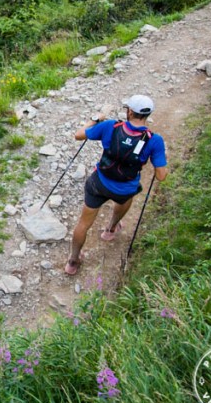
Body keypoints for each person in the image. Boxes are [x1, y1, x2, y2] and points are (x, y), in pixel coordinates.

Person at [65, 94, 168, 276]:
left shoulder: (110, 126)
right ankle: (111, 229)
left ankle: (73, 261)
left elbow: (78, 135)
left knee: (83, 224)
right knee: (125, 198)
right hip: (125, 187)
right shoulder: (154, 140)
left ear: (129, 111)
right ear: (148, 114)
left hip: (99, 182)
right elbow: (161, 176)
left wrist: (94, 120)